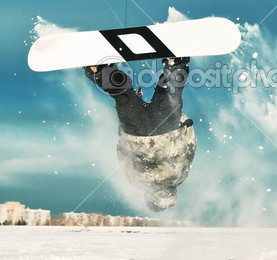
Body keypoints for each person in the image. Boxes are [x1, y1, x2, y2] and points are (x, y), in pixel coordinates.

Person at [83, 57, 195, 211]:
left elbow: (190, 148)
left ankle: (175, 63)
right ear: (151, 198)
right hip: (138, 134)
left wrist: (183, 124)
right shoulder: (138, 182)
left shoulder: (180, 176)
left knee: (170, 91)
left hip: (168, 129)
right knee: (122, 94)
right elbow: (123, 156)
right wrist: (124, 134)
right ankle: (100, 69)